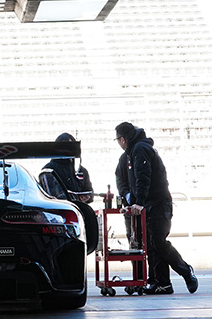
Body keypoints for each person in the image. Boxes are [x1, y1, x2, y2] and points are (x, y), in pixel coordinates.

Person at [115, 121, 198, 295]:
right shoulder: (129, 155)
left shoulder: (140, 149)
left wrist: (139, 202)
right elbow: (122, 178)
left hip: (158, 203)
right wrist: (130, 197)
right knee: (151, 245)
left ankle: (185, 270)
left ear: (123, 139)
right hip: (149, 204)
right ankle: (161, 283)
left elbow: (143, 177)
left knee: (159, 242)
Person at [39, 132, 98, 252]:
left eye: (71, 148)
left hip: (80, 217)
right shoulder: (49, 170)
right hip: (58, 221)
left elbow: (89, 192)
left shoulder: (80, 170)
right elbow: (52, 198)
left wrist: (86, 197)